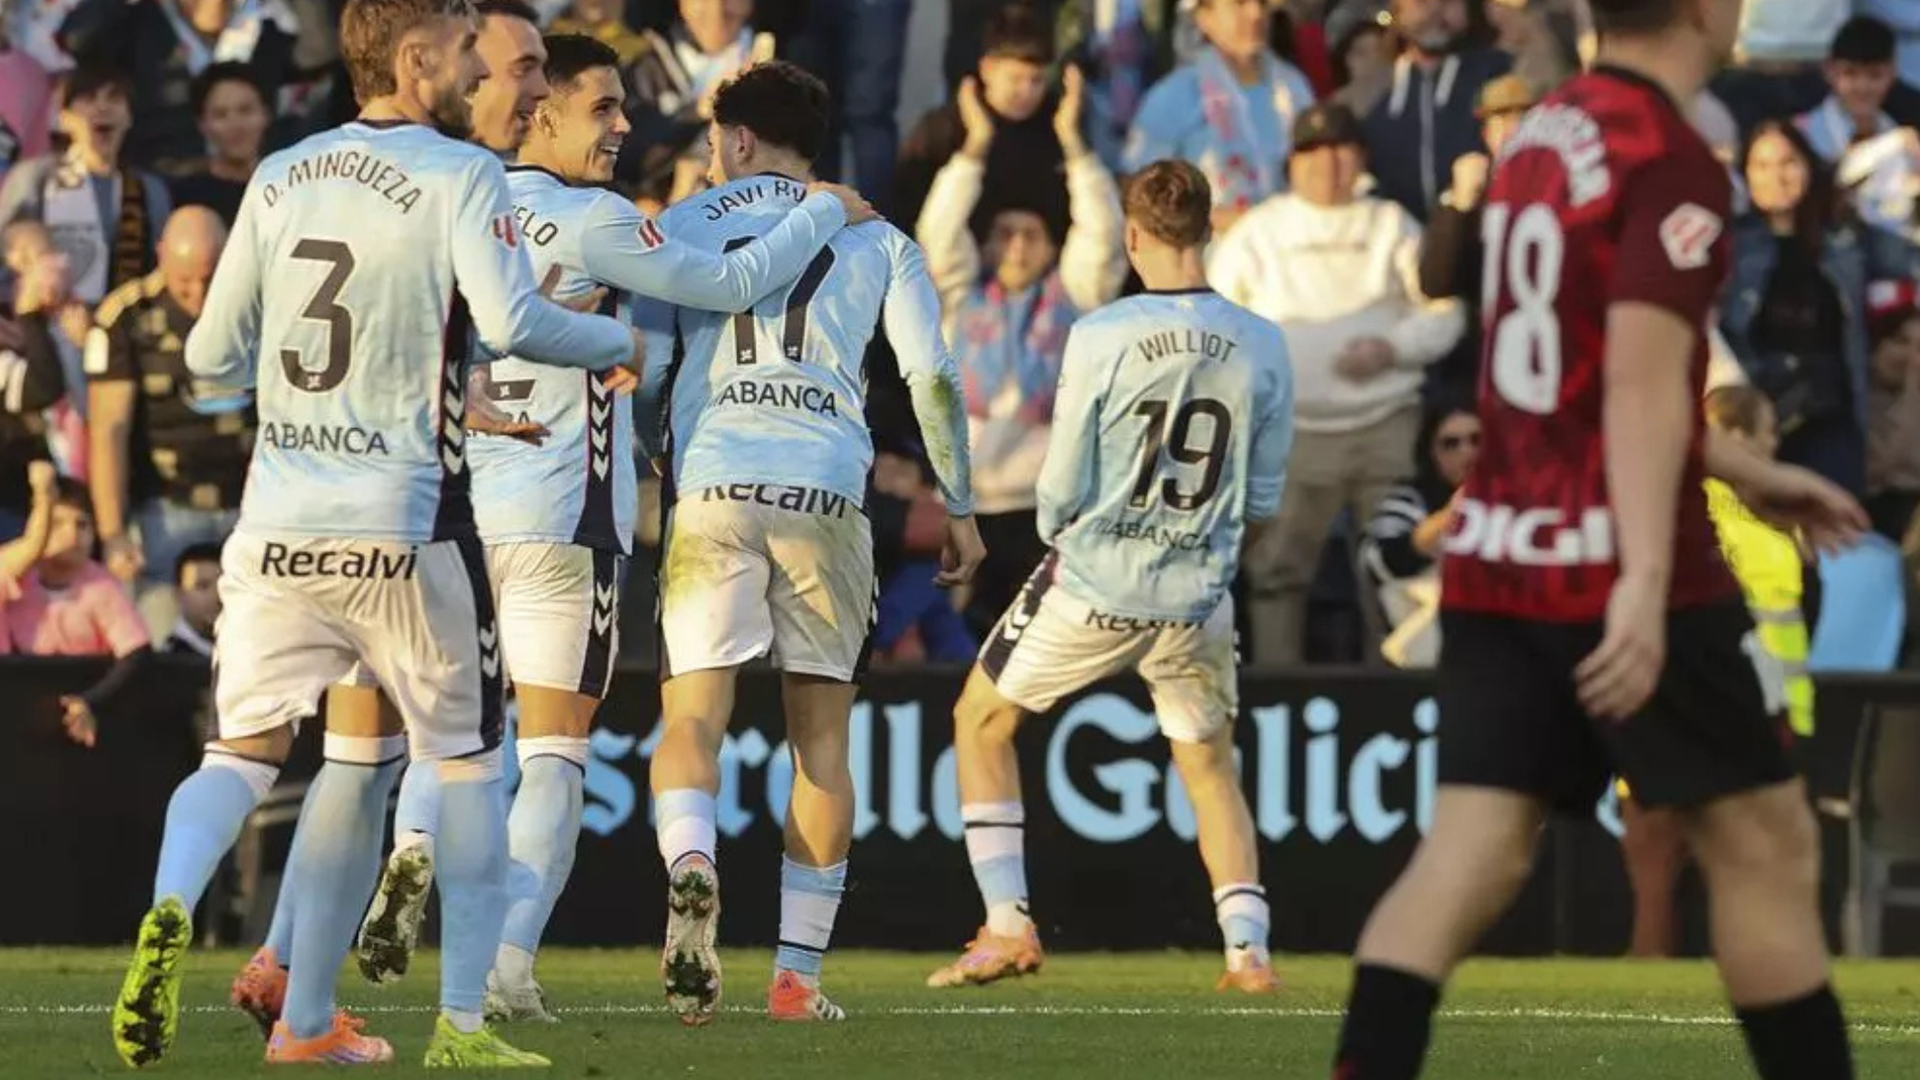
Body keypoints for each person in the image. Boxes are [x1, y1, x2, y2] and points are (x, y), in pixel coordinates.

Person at [1329, 1, 1867, 1077]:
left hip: (1498, 549)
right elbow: (1630, 380)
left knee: (1467, 860)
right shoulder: (1666, 154)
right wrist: (1643, 580)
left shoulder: (1541, 133)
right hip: (1620, 565)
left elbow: (1574, 371)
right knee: (1768, 847)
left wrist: (1748, 468)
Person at [108, 0, 643, 1067]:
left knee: (244, 753)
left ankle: (183, 915)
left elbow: (214, 360)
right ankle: (461, 1023)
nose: (481, 75)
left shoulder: (279, 173)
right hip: (404, 525)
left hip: (275, 530)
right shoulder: (459, 174)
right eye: (464, 55)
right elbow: (518, 322)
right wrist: (621, 336)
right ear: (414, 59)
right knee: (468, 765)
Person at [350, 32, 872, 1020]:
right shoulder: (593, 217)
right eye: (602, 107)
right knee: (554, 753)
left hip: (449, 518)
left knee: (454, 743)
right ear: (540, 108)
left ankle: (412, 853)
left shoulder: (451, 203)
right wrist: (818, 212)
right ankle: (507, 964)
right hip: (561, 517)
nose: (622, 126)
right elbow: (722, 284)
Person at [638, 60, 980, 1025]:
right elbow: (934, 377)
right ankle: (796, 980)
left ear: (740, 140)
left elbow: (654, 363)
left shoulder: (687, 223)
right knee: (820, 742)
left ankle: (693, 862)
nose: (710, 160)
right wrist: (957, 501)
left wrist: (660, 461)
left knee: (693, 721)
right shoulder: (880, 238)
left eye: (713, 143)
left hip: (715, 484)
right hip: (829, 488)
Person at [923, 157, 1292, 993]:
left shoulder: (1102, 332)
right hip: (1199, 590)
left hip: (1099, 579)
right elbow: (1263, 497)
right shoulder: (1265, 343)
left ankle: (1007, 924)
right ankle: (1248, 952)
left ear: (1131, 236)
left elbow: (1060, 488)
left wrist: (1075, 538)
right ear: (1208, 229)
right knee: (1209, 766)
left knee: (980, 720)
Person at [1209, 101, 1464, 666]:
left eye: (1342, 149)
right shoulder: (1259, 231)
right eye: (1314, 151)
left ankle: (1397, 695)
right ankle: (1277, 695)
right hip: (1291, 431)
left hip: (1386, 425)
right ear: (1293, 162)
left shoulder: (1392, 224)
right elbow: (1217, 321)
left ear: (1361, 158)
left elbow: (1444, 311)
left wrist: (1392, 348)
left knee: (1396, 573)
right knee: (1276, 572)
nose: (1329, 163)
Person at [919, 62, 1129, 641]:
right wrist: (974, 148)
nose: (1016, 246)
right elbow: (937, 232)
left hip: (1050, 514)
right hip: (964, 509)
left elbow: (1104, 232)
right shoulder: (958, 299)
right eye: (1004, 234)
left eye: (1030, 235)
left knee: (1039, 645)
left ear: (1053, 247)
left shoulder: (1077, 299)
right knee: (954, 643)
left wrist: (1072, 142)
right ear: (986, 244)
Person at [86, 207, 248, 628]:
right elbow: (109, 429)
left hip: (253, 505)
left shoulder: (264, 302)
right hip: (168, 506)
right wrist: (112, 532)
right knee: (157, 632)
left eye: (211, 278)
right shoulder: (125, 317)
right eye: (184, 281)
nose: (199, 294)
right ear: (160, 256)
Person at [1124, 0, 1317, 236]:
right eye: (1239, 3)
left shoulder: (1293, 88)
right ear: (1204, 17)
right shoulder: (1177, 94)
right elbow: (1139, 192)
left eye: (1263, 3)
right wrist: (1212, 219)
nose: (1255, 13)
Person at [0, 61, 171, 309]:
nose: (102, 107)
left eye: (114, 99)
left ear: (129, 116)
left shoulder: (149, 189)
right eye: (88, 99)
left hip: (122, 328)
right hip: (44, 325)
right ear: (65, 118)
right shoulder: (35, 177)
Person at [2, 477, 152, 746]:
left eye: (82, 524)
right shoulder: (11, 580)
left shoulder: (102, 585)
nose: (72, 534)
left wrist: (90, 701)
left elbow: (136, 654)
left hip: (85, 725)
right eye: (57, 523)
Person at [1358, 401, 1479, 668]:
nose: (1467, 452)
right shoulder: (1409, 500)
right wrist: (1449, 518)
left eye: (1477, 440)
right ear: (1431, 452)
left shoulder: (1521, 504)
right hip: (1427, 644)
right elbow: (1380, 561)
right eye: (1451, 444)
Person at [169, 63, 275, 226]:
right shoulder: (185, 199)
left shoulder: (291, 186)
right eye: (220, 115)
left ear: (265, 115)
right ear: (203, 125)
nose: (235, 126)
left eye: (246, 110)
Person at [163, 540, 221, 658]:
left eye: (223, 585)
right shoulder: (171, 660)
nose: (216, 595)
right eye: (202, 586)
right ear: (178, 594)